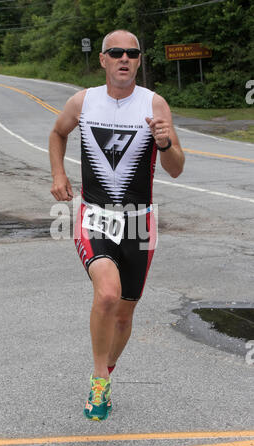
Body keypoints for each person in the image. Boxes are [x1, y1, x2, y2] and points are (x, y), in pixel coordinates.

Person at [49, 29, 185, 421]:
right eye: (116, 52)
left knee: (125, 315)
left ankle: (106, 374)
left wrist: (164, 144)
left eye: (132, 53)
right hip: (95, 217)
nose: (124, 58)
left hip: (140, 224)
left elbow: (176, 168)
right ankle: (97, 379)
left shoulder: (155, 104)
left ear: (139, 60)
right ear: (103, 60)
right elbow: (58, 132)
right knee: (107, 294)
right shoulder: (84, 101)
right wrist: (58, 174)